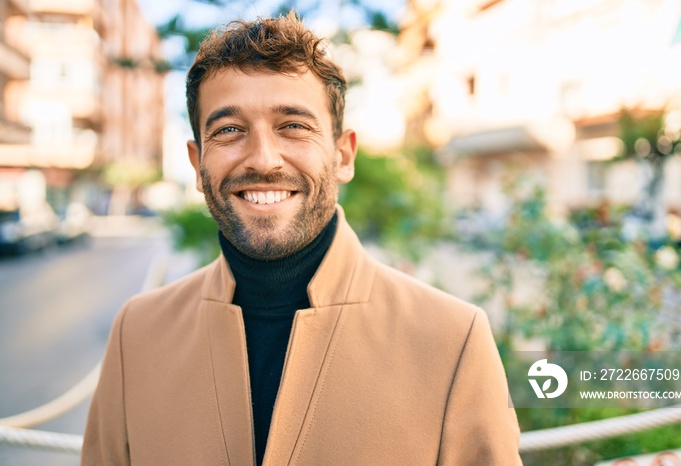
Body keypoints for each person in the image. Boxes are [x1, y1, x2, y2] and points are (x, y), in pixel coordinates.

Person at [81, 12, 522, 465]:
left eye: (293, 125)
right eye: (229, 130)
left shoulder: (452, 340)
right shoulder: (136, 334)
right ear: (197, 164)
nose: (264, 159)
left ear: (343, 155)